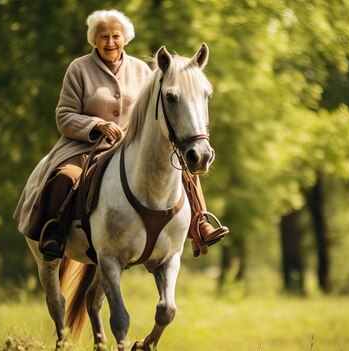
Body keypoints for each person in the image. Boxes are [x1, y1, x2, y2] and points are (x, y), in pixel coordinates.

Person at [13, 9, 228, 261]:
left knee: (183, 169)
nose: (110, 42)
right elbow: (64, 115)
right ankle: (55, 232)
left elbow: (154, 112)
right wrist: (97, 125)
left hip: (131, 145)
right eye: (104, 37)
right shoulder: (78, 69)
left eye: (116, 36)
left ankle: (200, 223)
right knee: (64, 176)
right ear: (94, 40)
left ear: (125, 38)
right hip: (85, 146)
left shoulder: (141, 70)